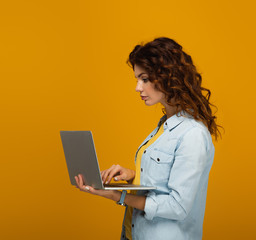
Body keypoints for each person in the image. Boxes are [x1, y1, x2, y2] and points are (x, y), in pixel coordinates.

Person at [74, 37, 221, 240]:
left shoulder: (192, 134)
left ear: (167, 76)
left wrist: (118, 196)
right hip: (134, 233)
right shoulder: (163, 127)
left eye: (144, 79)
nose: (137, 87)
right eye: (137, 79)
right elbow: (163, 183)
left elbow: (177, 206)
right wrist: (132, 176)